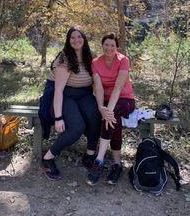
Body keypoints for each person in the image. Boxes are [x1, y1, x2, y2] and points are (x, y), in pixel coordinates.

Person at [41, 27, 101, 180]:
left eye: (79, 37)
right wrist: (59, 117)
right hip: (65, 95)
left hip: (85, 94)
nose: (76, 40)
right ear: (68, 41)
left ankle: (89, 155)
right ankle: (48, 157)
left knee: (95, 117)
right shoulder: (64, 59)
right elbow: (59, 91)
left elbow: (98, 83)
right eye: (72, 37)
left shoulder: (92, 56)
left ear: (84, 39)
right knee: (77, 127)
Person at [86, 32, 135, 186]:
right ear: (102, 45)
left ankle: (99, 160)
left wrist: (108, 112)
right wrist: (102, 108)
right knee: (114, 121)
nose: (109, 48)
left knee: (111, 117)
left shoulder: (123, 60)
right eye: (106, 44)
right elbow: (98, 88)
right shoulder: (95, 62)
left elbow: (118, 88)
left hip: (125, 99)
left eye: (112, 45)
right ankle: (117, 164)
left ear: (117, 47)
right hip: (106, 101)